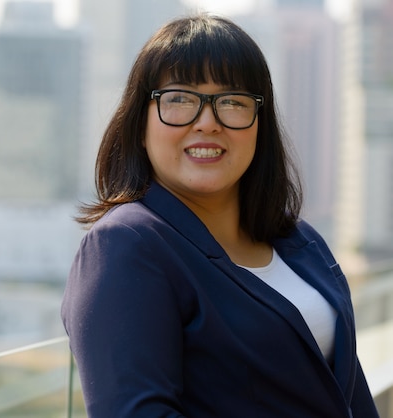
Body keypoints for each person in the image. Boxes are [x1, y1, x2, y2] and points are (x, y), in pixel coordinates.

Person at [61, 14, 379, 418]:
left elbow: (348, 393)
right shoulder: (126, 245)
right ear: (140, 122)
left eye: (231, 101)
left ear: (259, 124)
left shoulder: (301, 239)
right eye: (179, 99)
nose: (207, 123)